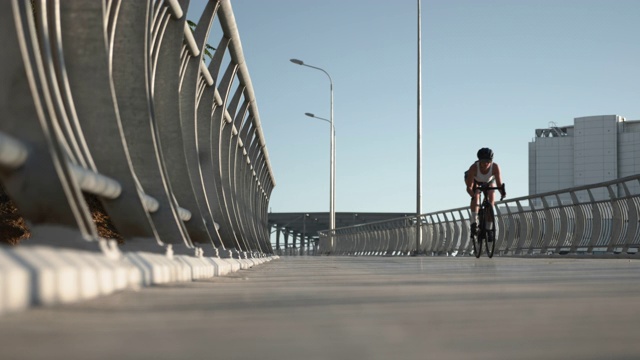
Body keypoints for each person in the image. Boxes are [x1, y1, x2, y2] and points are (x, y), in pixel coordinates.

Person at [464, 147, 506, 236]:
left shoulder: (495, 167)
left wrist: (502, 193)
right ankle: (474, 222)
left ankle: (489, 228)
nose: (486, 163)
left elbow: (499, 184)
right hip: (474, 181)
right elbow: (469, 187)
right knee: (477, 195)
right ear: (479, 161)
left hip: (489, 181)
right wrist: (473, 196)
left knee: (491, 200)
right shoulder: (474, 168)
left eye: (488, 161)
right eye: (483, 161)